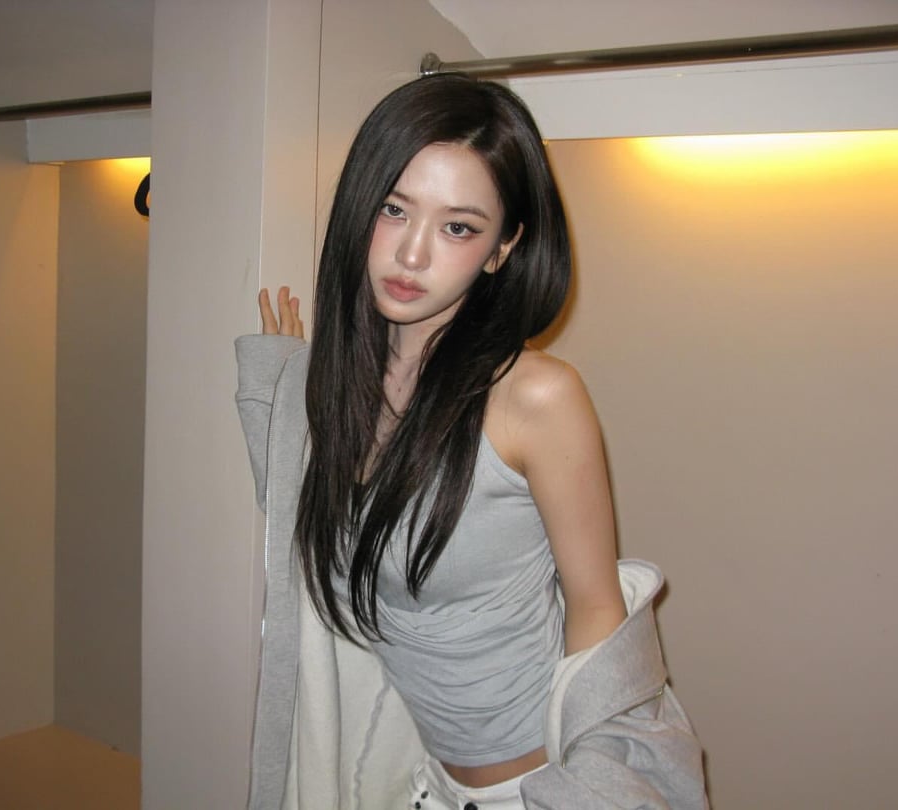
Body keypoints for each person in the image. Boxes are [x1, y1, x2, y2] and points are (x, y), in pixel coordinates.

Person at [236, 73, 707, 810]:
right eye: (394, 209)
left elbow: (596, 611)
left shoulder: (535, 398)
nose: (412, 254)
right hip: (424, 780)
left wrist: (586, 790)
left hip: (537, 787)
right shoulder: (336, 392)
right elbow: (302, 526)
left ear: (501, 249)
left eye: (458, 227)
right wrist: (277, 383)